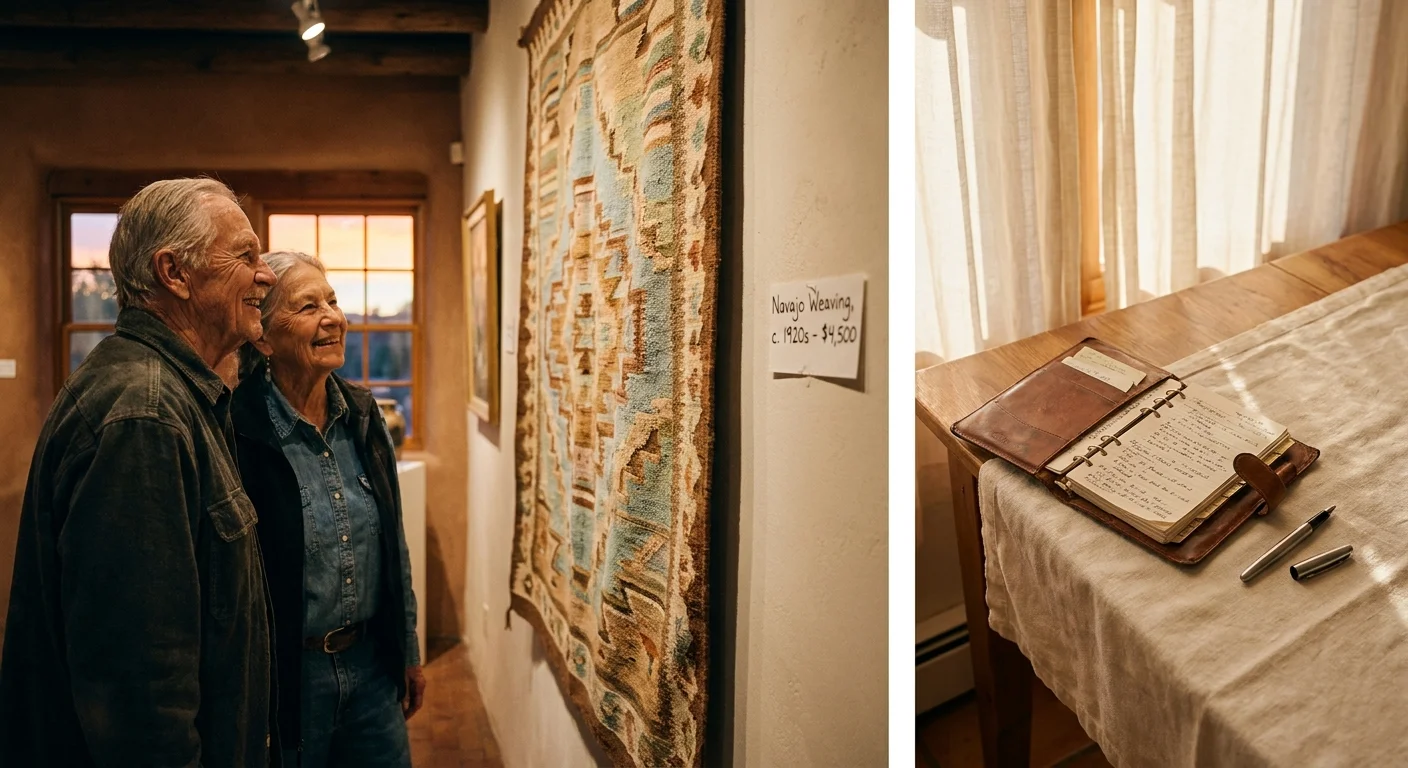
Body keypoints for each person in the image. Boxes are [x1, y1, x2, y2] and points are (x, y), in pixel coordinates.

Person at [0, 178, 279, 766]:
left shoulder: (173, 393)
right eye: (245, 256)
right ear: (174, 273)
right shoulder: (144, 416)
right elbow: (141, 696)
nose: (267, 275)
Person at [231, 251, 424, 768]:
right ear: (264, 338)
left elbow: (394, 544)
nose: (333, 318)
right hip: (291, 680)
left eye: (333, 302)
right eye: (308, 306)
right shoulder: (240, 428)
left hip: (372, 669)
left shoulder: (363, 414)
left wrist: (407, 649)